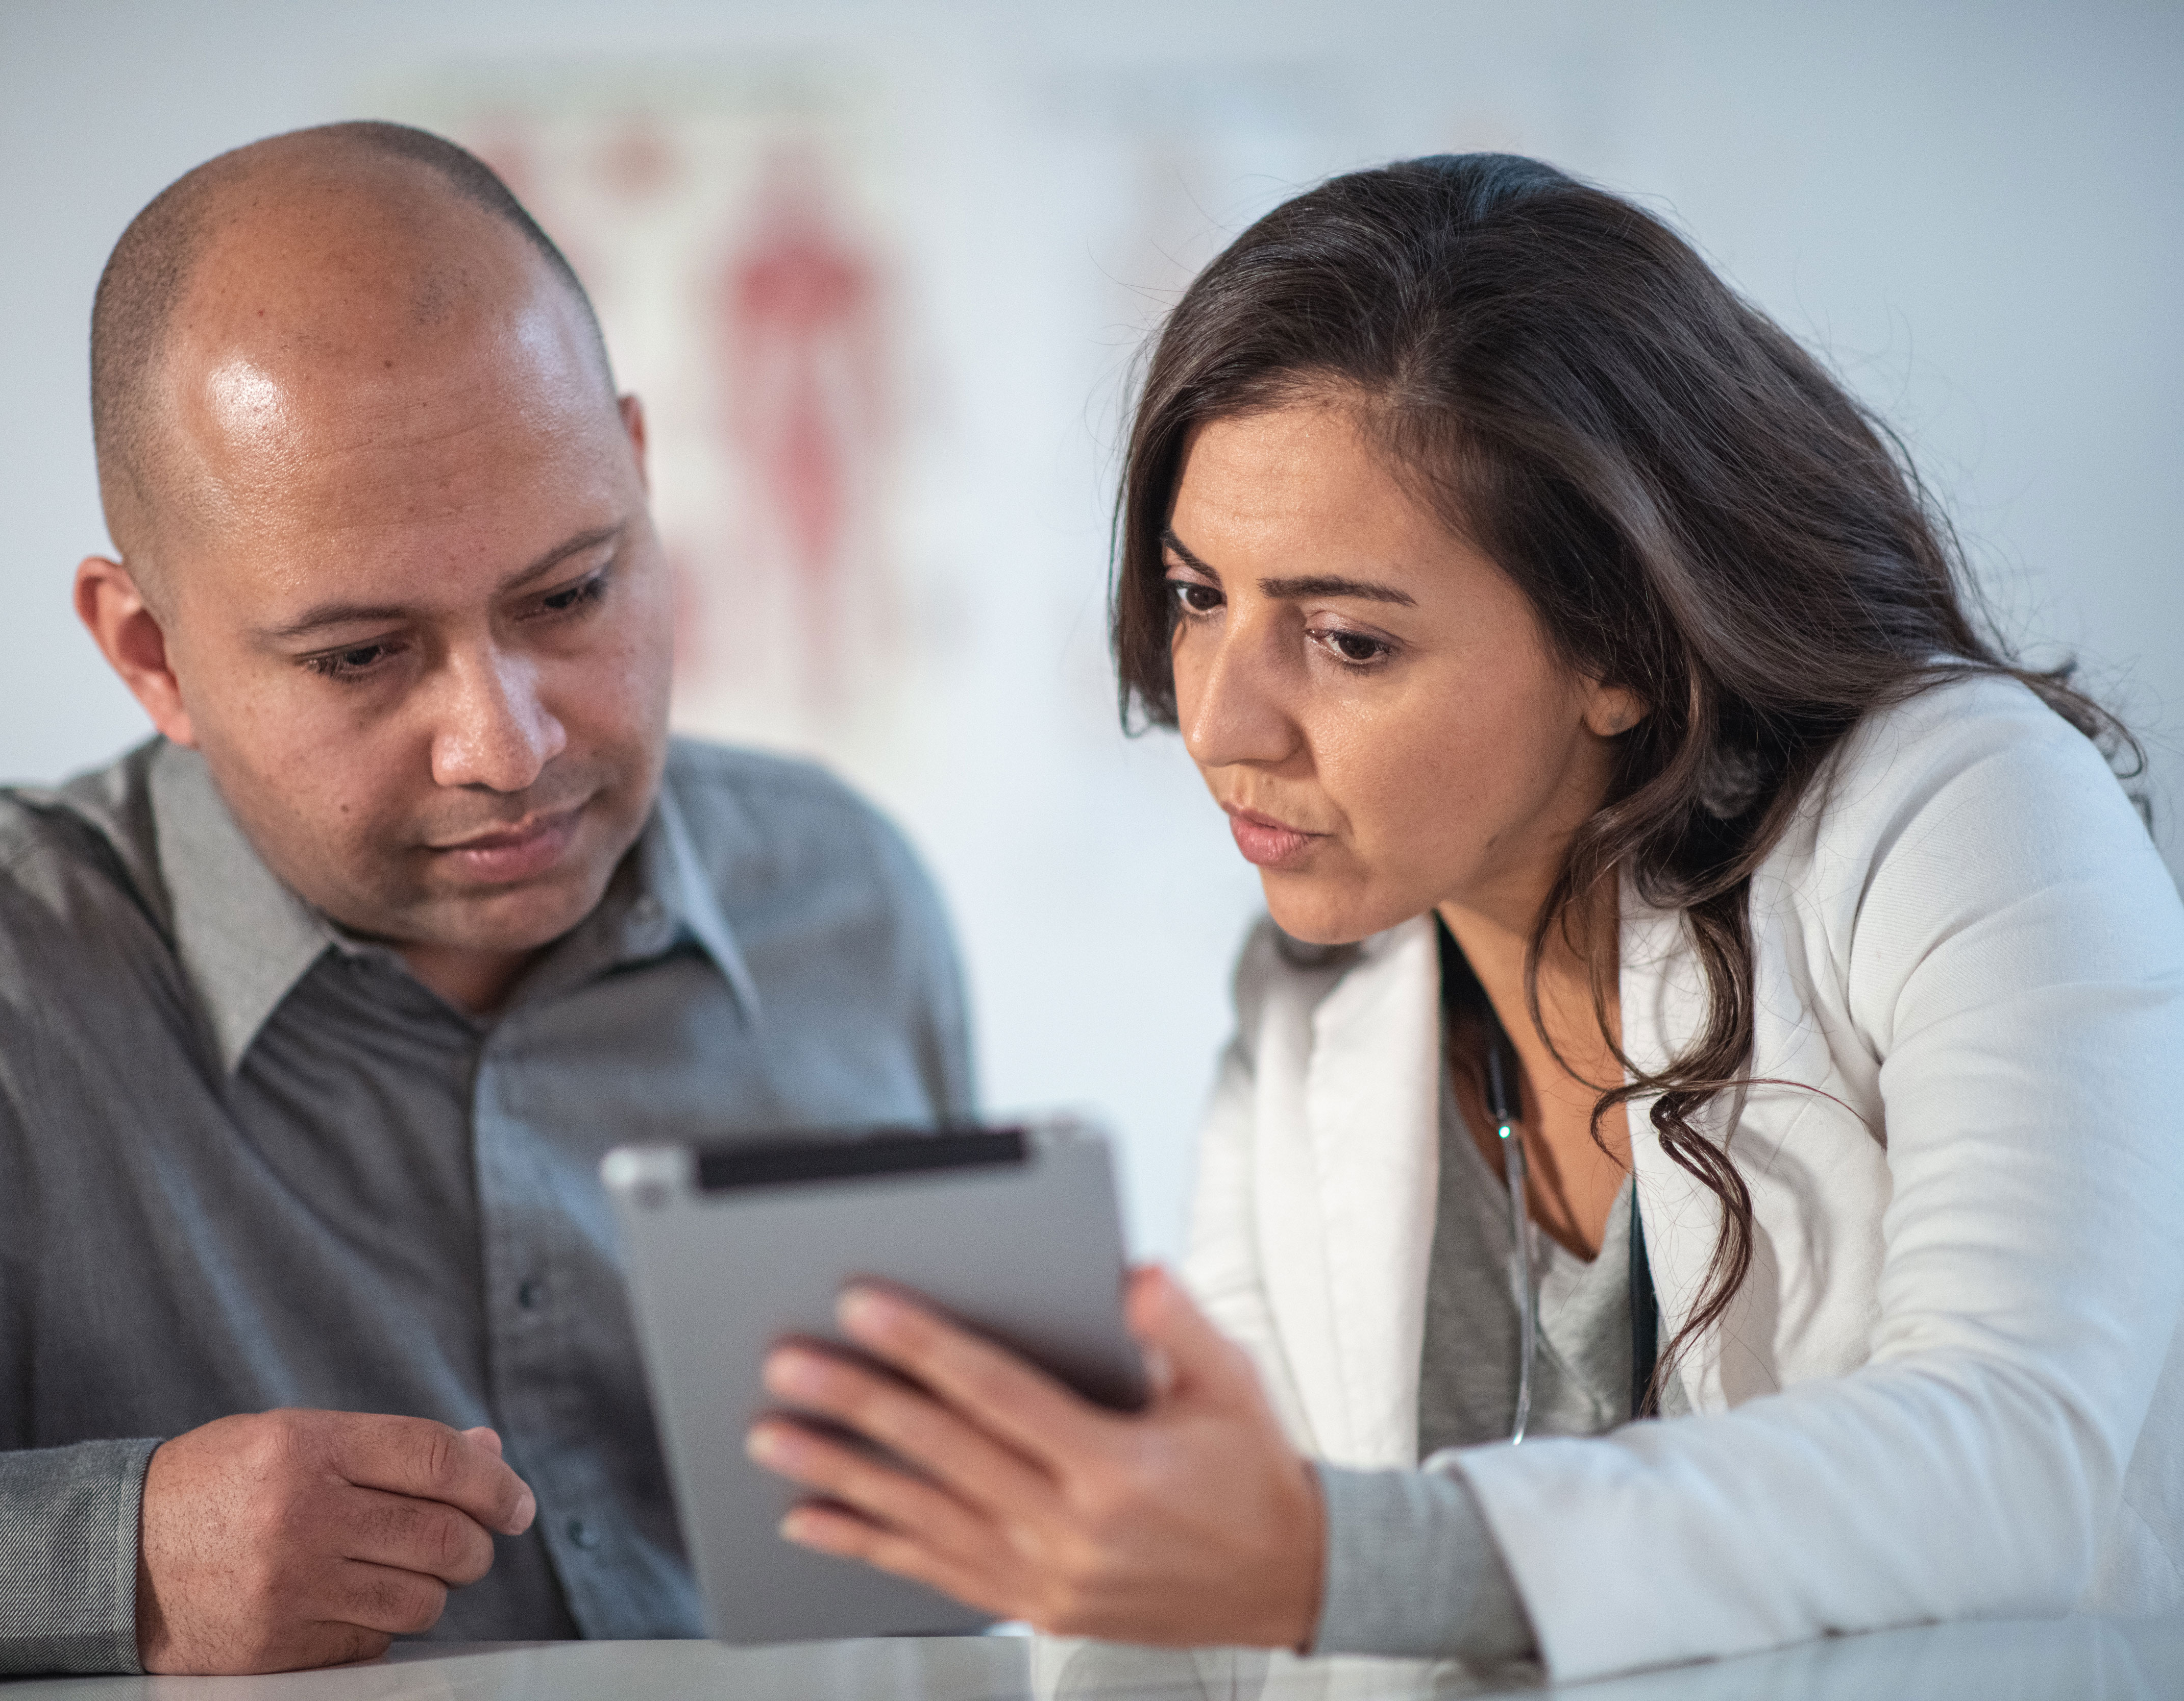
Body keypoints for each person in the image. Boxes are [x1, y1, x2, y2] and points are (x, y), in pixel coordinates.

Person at [745, 154, 2184, 1682]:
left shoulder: (1962, 807)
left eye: (1349, 640)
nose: (1224, 724)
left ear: (1623, 646)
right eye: (1193, 596)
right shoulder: (1315, 984)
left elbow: (2018, 1454)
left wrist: (1332, 1555)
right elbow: (1219, 1611)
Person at [0, 122, 971, 1695]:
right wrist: (103, 1563)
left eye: (571, 594)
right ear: (149, 652)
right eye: (360, 657)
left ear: (639, 470)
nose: (511, 746)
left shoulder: (847, 899)